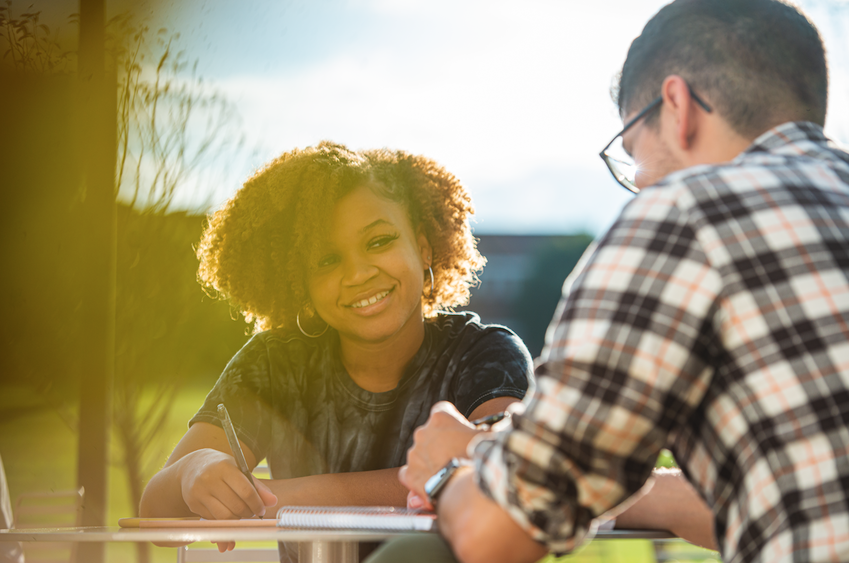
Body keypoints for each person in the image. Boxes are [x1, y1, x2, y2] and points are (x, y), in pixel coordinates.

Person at [372, 1, 849, 562]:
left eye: (631, 153)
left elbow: (493, 534)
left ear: (677, 106)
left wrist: (449, 471)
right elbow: (791, 501)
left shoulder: (684, 215)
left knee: (414, 557)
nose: (639, 183)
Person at [138, 142, 533, 557]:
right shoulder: (274, 364)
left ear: (423, 246)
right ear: (299, 281)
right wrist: (191, 472)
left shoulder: (487, 353)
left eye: (378, 241)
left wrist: (271, 497)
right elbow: (154, 518)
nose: (358, 273)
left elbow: (503, 474)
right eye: (327, 260)